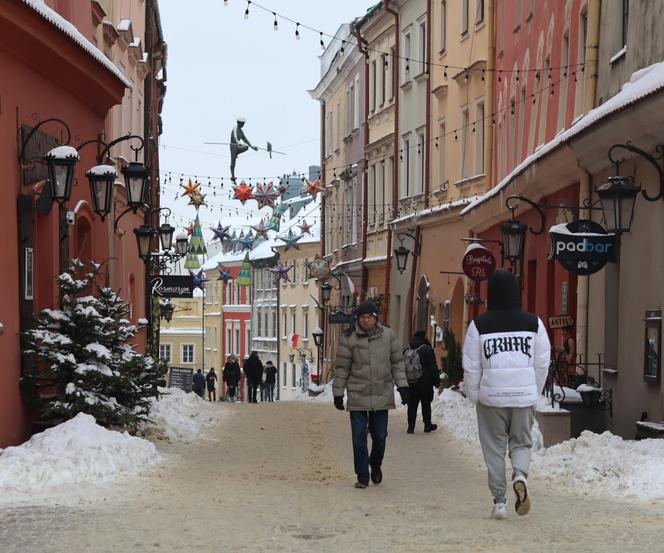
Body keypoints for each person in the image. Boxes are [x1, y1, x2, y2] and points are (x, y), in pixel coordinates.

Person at [462, 269, 550, 520]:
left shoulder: (479, 325)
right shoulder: (534, 323)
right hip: (523, 395)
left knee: (494, 449)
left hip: (491, 397)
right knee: (522, 441)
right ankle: (520, 473)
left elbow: (471, 365)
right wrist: (535, 389)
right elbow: (542, 362)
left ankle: (499, 501)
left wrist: (474, 394)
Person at [333, 301, 409, 489]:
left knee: (380, 435)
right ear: (358, 319)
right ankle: (362, 475)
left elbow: (397, 363)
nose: (366, 320)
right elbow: (342, 367)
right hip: (358, 393)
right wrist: (338, 393)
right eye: (363, 317)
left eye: (370, 317)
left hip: (382, 392)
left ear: (376, 318)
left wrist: (403, 386)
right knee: (359, 437)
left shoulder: (389, 336)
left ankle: (375, 464)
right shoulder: (349, 338)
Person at [404, 330, 441, 434]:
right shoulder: (427, 349)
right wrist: (436, 381)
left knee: (412, 405)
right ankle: (427, 425)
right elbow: (433, 366)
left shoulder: (408, 350)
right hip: (425, 382)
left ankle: (411, 426)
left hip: (411, 382)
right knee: (426, 404)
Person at [229, 117, 258, 182]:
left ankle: (237, 153)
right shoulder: (235, 128)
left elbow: (245, 139)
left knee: (246, 147)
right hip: (233, 146)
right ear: (239, 123)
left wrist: (252, 147)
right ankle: (233, 177)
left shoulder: (241, 131)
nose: (243, 125)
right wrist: (238, 142)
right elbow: (235, 137)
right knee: (233, 162)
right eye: (243, 123)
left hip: (238, 146)